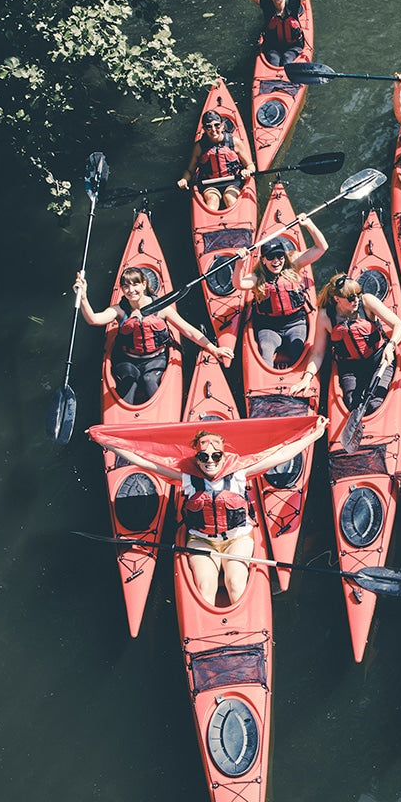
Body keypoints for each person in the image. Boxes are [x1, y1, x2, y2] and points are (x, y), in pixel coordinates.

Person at [99, 420, 326, 606]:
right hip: (201, 540)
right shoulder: (187, 476)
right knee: (205, 588)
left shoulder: (239, 472)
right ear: (196, 457)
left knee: (235, 584)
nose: (210, 462)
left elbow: (280, 455)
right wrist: (106, 441)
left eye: (215, 456)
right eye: (203, 457)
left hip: (237, 539)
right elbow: (145, 460)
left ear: (223, 455)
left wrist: (313, 436)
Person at [73, 266, 224, 404]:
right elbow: (93, 320)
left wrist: (213, 348)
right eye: (126, 286)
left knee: (149, 380)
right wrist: (84, 297)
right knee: (128, 385)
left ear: (144, 284)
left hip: (155, 359)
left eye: (135, 284)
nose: (131, 290)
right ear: (122, 289)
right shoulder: (119, 310)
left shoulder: (162, 308)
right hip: (127, 360)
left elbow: (188, 330)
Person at [303, 274, 401, 411]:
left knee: (375, 403)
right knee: (353, 405)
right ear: (337, 299)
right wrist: (307, 378)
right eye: (351, 298)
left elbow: (398, 325)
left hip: (379, 361)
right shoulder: (325, 317)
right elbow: (317, 353)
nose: (356, 300)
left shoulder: (367, 302)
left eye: (358, 294)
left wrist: (391, 345)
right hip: (350, 369)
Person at [237, 215, 325, 367]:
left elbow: (321, 247)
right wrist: (239, 264)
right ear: (263, 260)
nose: (276, 261)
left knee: (298, 352)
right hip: (269, 327)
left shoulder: (293, 264)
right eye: (271, 257)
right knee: (265, 352)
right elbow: (238, 284)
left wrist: (309, 225)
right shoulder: (257, 277)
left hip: (296, 323)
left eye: (280, 256)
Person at [178, 109, 254, 210]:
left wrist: (248, 171)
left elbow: (250, 165)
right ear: (204, 129)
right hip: (209, 183)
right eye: (209, 127)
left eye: (217, 125)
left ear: (222, 125)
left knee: (230, 198)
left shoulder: (234, 142)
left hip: (232, 180)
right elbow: (190, 170)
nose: (213, 130)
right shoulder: (199, 147)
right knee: (212, 201)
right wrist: (184, 180)